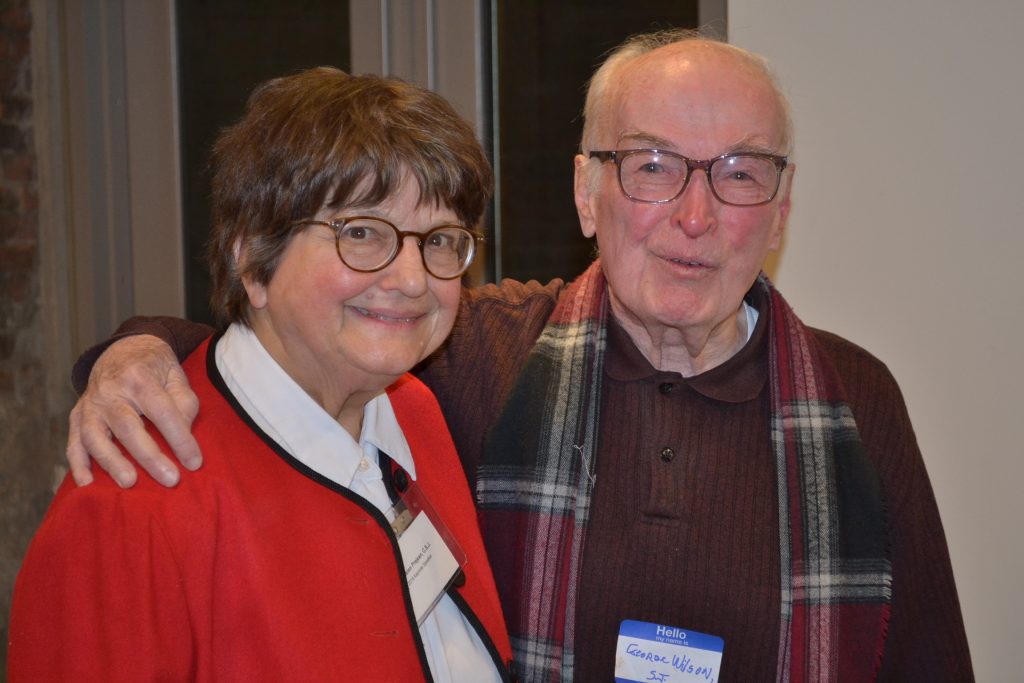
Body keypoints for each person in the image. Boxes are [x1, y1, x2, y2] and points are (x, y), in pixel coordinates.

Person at [58, 30, 974, 682]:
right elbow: (310, 335)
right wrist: (135, 351)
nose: (697, 216)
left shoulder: (857, 396)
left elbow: (931, 661)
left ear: (777, 209)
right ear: (587, 190)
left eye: (740, 172)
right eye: (652, 165)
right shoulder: (479, 354)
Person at [9, 67, 515, 682]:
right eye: (360, 232)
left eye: (439, 239)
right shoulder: (131, 504)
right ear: (251, 257)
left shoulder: (412, 412)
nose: (413, 280)